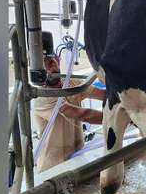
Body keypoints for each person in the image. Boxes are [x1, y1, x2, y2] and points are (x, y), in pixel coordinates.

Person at [33, 32, 105, 172]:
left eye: (52, 61)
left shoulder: (71, 82)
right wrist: (119, 118)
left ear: (58, 60)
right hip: (53, 165)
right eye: (46, 65)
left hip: (77, 156)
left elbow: (101, 94)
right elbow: (83, 115)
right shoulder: (42, 97)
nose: (52, 66)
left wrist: (127, 99)